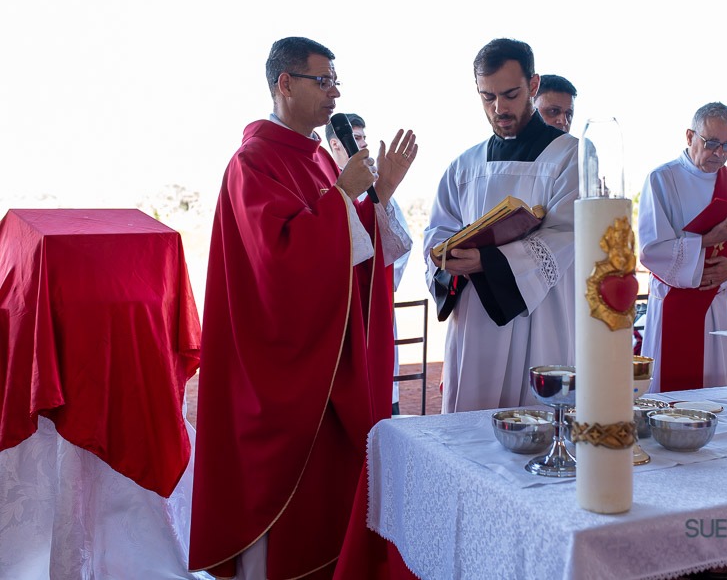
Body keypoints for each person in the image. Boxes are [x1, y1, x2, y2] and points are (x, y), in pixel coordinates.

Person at [189, 37, 417, 580]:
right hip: (279, 369)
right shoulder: (252, 162)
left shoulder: (315, 154)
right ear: (284, 83)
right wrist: (342, 196)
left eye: (337, 82)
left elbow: (353, 255)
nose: (335, 94)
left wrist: (377, 194)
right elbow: (279, 260)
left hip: (330, 363)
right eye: (324, 81)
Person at [423, 38, 578, 413]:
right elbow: (438, 230)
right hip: (475, 316)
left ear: (534, 85)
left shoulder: (569, 154)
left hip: (541, 316)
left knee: (536, 425)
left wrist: (488, 261)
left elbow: (567, 234)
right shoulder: (465, 164)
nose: (499, 108)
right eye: (487, 97)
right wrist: (446, 257)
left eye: (510, 94)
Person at [638, 101, 727, 393]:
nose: (719, 154)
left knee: (721, 391)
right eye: (712, 143)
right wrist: (706, 241)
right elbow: (651, 250)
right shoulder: (662, 179)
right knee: (674, 396)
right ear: (690, 136)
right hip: (676, 302)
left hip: (719, 303)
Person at [325, 112, 411, 415]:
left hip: (372, 304)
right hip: (333, 318)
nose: (363, 145)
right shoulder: (324, 183)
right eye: (356, 139)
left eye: (363, 138)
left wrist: (383, 191)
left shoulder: (373, 186)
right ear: (336, 144)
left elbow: (398, 248)